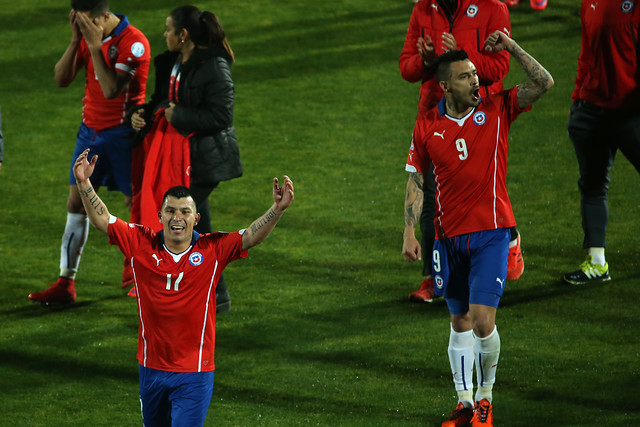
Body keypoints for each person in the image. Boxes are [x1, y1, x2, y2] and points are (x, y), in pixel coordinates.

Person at [73, 148, 293, 426]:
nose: (177, 217)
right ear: (161, 216)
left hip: (194, 371)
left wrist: (277, 209)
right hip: (150, 367)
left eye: (185, 212)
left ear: (195, 218)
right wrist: (84, 183)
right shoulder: (140, 243)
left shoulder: (212, 249)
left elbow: (250, 236)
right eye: (171, 211)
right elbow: (102, 219)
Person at [402, 32, 553, 425]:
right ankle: (464, 402)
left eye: (474, 75)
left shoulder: (499, 108)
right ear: (444, 85)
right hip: (448, 238)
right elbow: (417, 179)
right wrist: (408, 231)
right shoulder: (427, 126)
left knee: (483, 320)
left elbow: (544, 83)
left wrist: (513, 48)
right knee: (459, 321)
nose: (475, 81)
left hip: (491, 232)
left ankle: (486, 398)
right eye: (466, 76)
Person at [399, 0, 524, 304]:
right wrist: (428, 61)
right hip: (435, 114)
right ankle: (432, 277)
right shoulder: (423, 9)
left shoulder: (493, 8)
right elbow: (406, 67)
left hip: (481, 117)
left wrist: (461, 57)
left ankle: (508, 241)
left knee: (484, 190)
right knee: (433, 196)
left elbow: (499, 68)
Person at [28, 0, 150, 304]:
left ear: (104, 16)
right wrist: (75, 40)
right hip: (90, 132)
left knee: (134, 203)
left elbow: (111, 90)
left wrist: (95, 46)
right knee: (76, 203)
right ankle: (65, 283)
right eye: (77, 23)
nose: (81, 27)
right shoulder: (85, 36)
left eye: (84, 23)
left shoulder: (134, 43)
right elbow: (60, 79)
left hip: (125, 135)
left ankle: (144, 276)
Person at [129, 5, 241, 312]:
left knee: (185, 222)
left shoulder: (214, 67)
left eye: (168, 29)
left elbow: (221, 115)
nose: (164, 34)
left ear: (183, 35)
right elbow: (162, 100)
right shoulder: (174, 62)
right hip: (180, 157)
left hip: (204, 161)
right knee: (195, 227)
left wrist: (178, 115)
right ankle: (213, 294)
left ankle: (202, 292)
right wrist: (140, 116)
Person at [562, 0, 640, 285]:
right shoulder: (589, 4)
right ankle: (597, 261)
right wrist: (577, 98)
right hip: (592, 110)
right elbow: (587, 55)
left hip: (631, 113)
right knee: (593, 184)